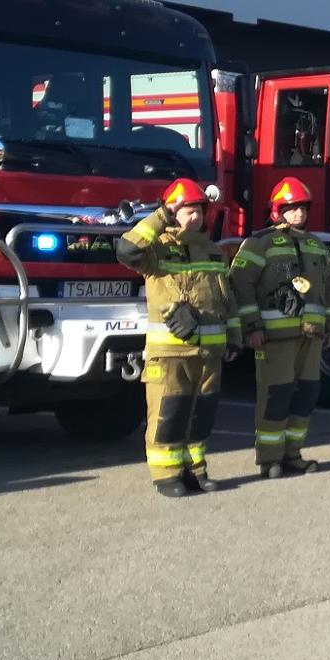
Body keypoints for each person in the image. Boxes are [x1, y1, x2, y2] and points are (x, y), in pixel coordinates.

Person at [115, 178, 242, 498]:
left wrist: (235, 336)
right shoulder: (156, 249)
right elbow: (127, 249)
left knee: (201, 415)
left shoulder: (211, 249)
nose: (195, 216)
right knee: (168, 414)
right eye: (188, 210)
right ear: (173, 212)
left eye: (199, 209)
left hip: (209, 352)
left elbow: (227, 298)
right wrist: (160, 216)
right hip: (170, 351)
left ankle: (195, 470)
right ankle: (166, 474)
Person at [230, 177, 330, 479]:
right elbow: (241, 285)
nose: (298, 214)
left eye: (302, 208)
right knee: (276, 397)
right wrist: (251, 326)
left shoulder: (315, 246)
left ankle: (293, 455)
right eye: (291, 208)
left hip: (311, 337)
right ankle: (270, 459)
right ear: (277, 211)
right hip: (274, 339)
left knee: (304, 397)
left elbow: (328, 290)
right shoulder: (258, 243)